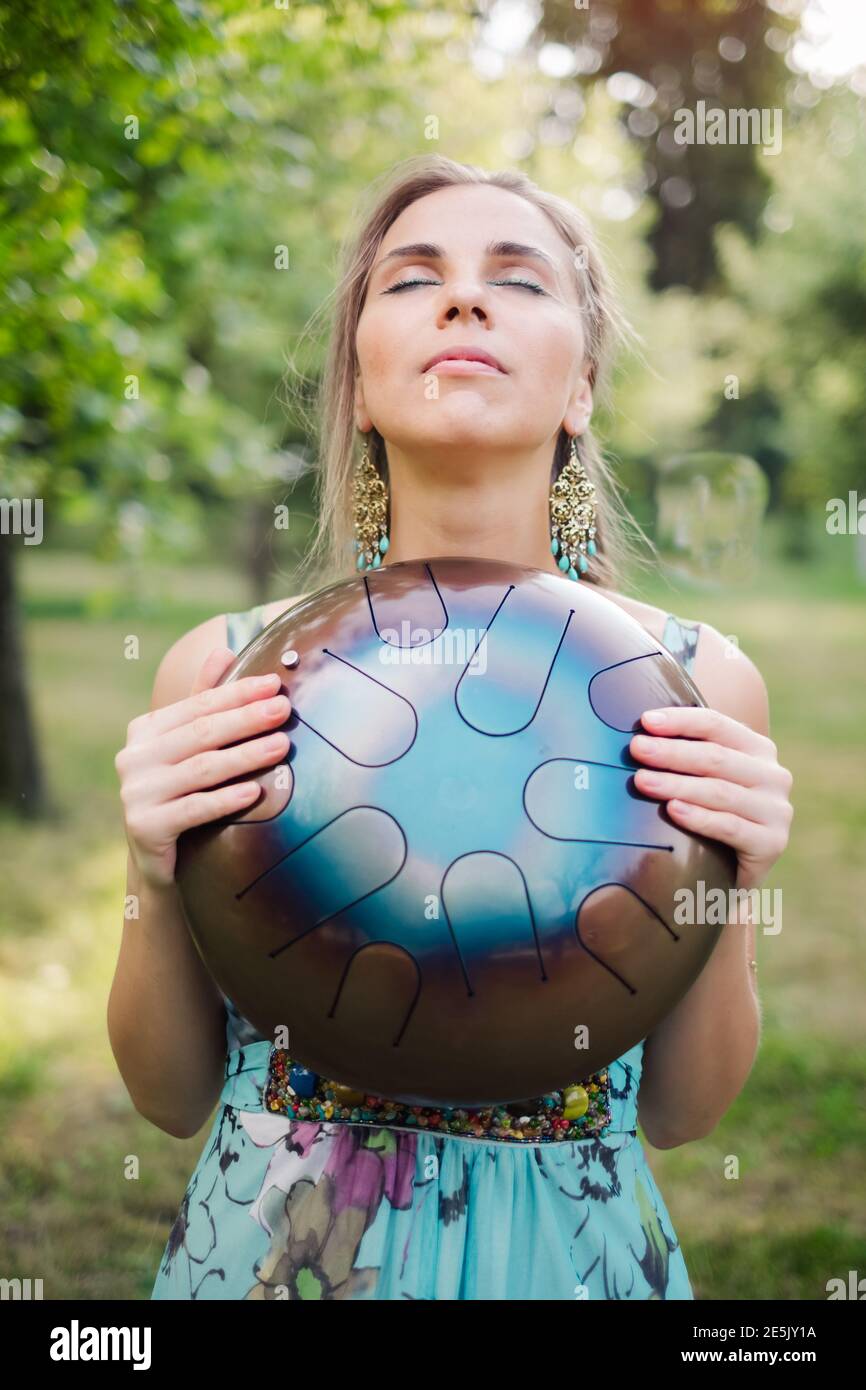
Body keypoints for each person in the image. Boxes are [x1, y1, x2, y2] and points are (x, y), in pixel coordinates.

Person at [108, 155, 794, 1300]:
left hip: (565, 1262)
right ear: (360, 385)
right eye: (412, 276)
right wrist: (150, 873)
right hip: (280, 1253)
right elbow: (169, 1097)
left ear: (579, 388)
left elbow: (683, 1112)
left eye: (518, 279)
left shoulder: (698, 685)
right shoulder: (220, 670)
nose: (463, 299)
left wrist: (737, 880)